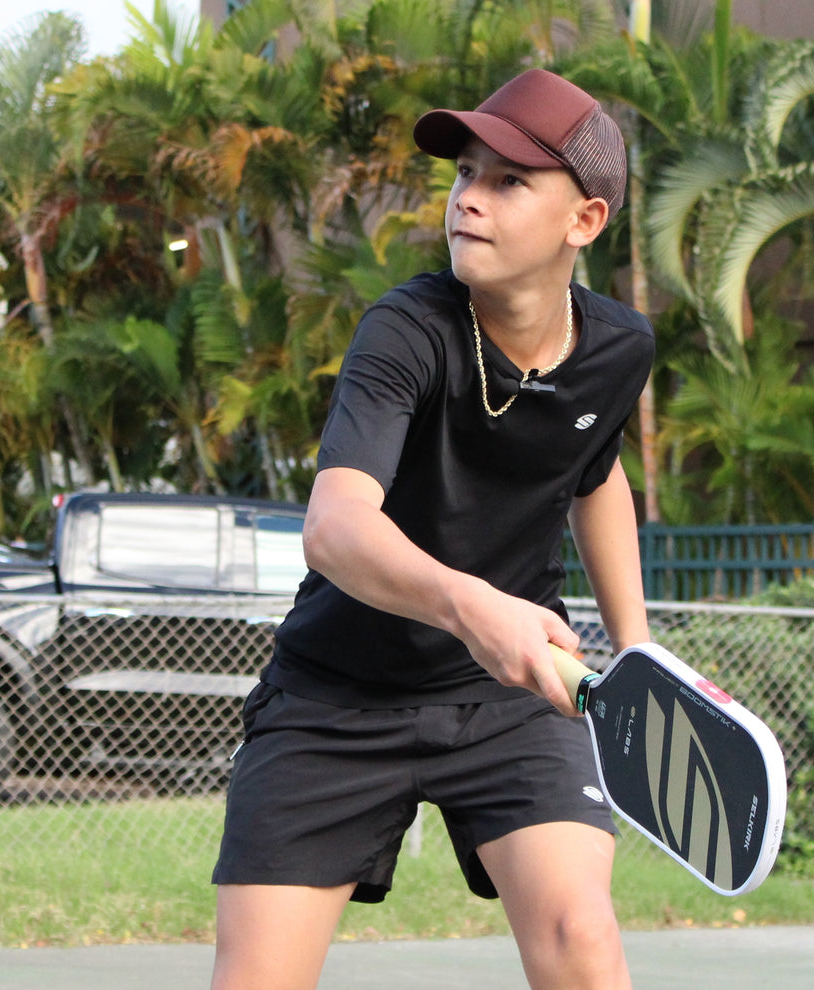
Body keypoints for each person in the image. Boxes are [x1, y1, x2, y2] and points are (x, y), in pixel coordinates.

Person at [210, 68, 655, 990]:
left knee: (583, 937)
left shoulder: (620, 348)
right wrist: (472, 607)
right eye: (465, 176)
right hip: (336, 694)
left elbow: (597, 474)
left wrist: (641, 651)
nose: (469, 200)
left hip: (509, 704)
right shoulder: (405, 330)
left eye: (508, 181)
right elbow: (335, 528)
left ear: (585, 222)